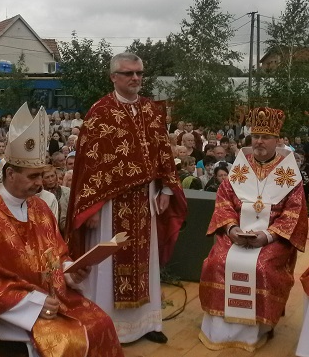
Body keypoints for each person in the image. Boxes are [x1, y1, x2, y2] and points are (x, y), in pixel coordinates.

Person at [0, 103, 123, 357]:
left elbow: (57, 253)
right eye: (32, 177)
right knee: (68, 343)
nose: (39, 183)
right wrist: (32, 305)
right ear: (10, 173)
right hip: (13, 313)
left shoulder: (40, 208)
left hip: (54, 298)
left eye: (40, 176)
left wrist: (69, 272)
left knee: (102, 324)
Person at [66, 52, 187, 344]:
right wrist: (91, 207)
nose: (135, 78)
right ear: (114, 77)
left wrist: (167, 189)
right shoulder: (100, 112)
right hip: (109, 203)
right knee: (107, 262)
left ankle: (147, 323)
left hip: (145, 199)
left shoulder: (151, 109)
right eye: (129, 73)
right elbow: (89, 166)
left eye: (139, 73)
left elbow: (163, 152)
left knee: (146, 263)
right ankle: (106, 325)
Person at [199, 107, 308, 352]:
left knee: (262, 267)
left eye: (266, 136)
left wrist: (267, 235)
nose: (259, 141)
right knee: (217, 262)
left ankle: (255, 330)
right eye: (256, 136)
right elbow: (224, 201)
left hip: (273, 239)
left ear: (276, 140)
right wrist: (231, 229)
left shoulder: (289, 173)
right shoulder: (239, 168)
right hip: (235, 234)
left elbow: (294, 213)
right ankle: (217, 329)